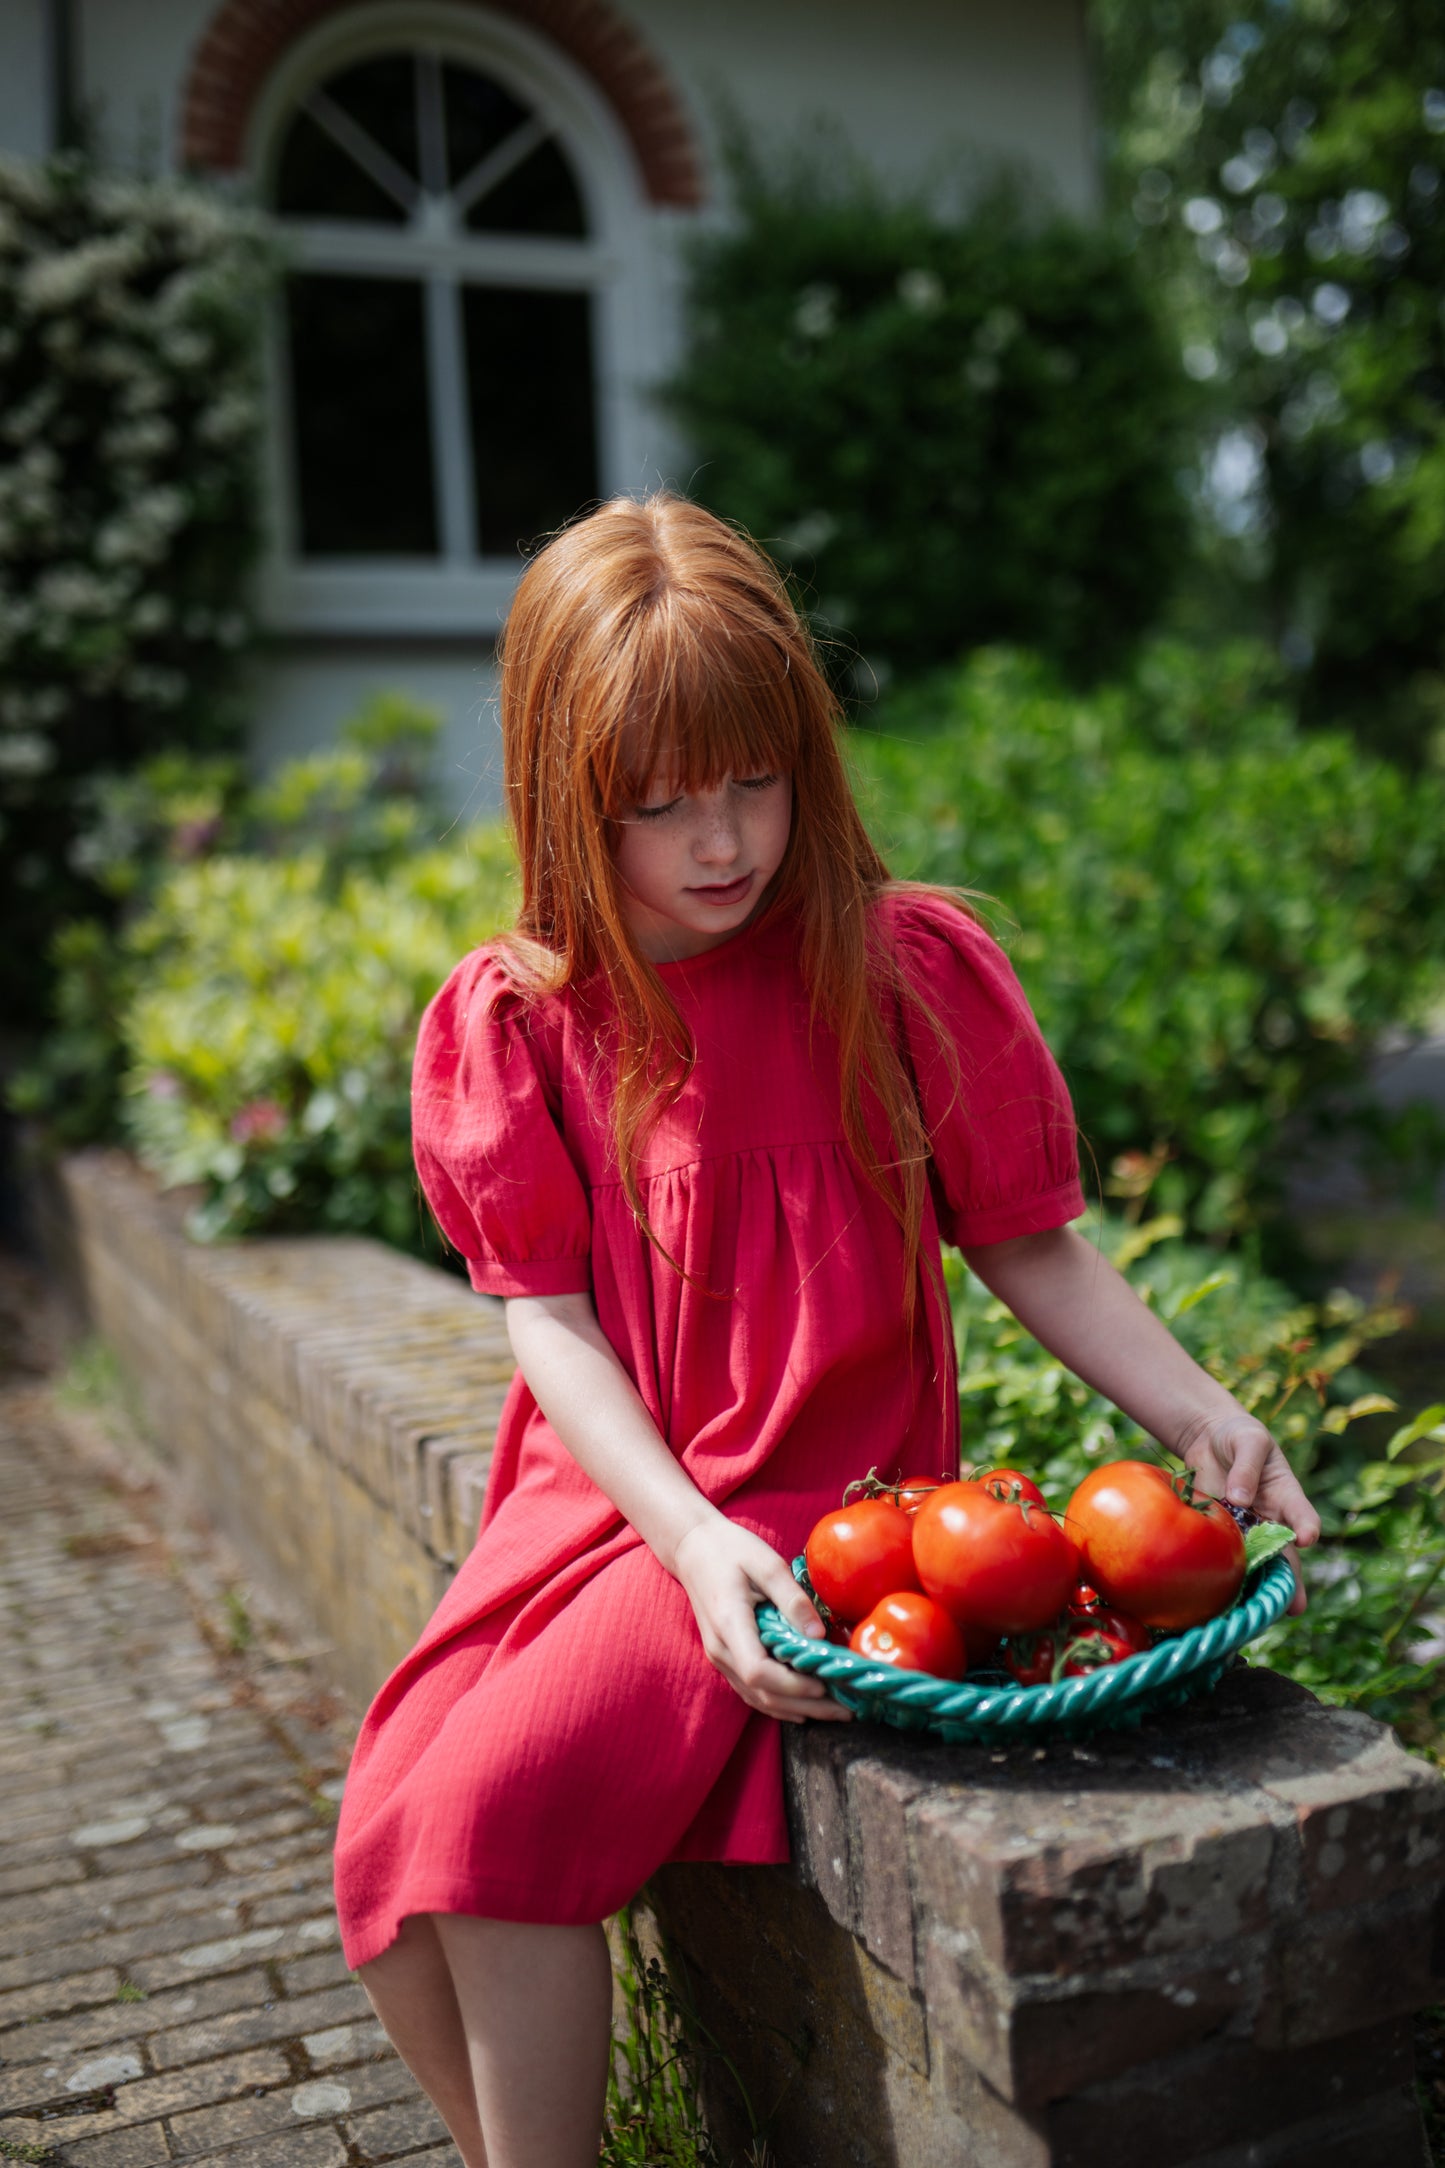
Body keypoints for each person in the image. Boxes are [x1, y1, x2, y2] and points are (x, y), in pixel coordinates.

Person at [332, 493, 1319, 2168]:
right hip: (626, 1499)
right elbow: (547, 1324)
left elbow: (1038, 1248)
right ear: (567, 796)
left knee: (490, 1828)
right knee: (386, 1834)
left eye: (754, 781)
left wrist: (1202, 1413)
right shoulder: (525, 1016)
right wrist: (682, 1534)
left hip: (820, 1506)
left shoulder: (897, 968)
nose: (720, 841)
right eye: (660, 804)